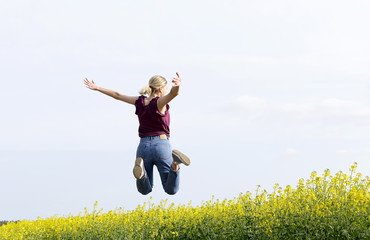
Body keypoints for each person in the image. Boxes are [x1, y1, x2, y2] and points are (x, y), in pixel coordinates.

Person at [83, 72, 190, 195]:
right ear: (160, 89)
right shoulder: (159, 102)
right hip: (161, 144)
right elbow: (174, 93)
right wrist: (177, 85)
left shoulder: (139, 101)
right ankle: (175, 163)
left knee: (145, 190)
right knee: (171, 189)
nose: (166, 90)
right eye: (165, 88)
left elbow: (117, 95)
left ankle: (142, 174)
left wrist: (97, 88)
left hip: (143, 146)